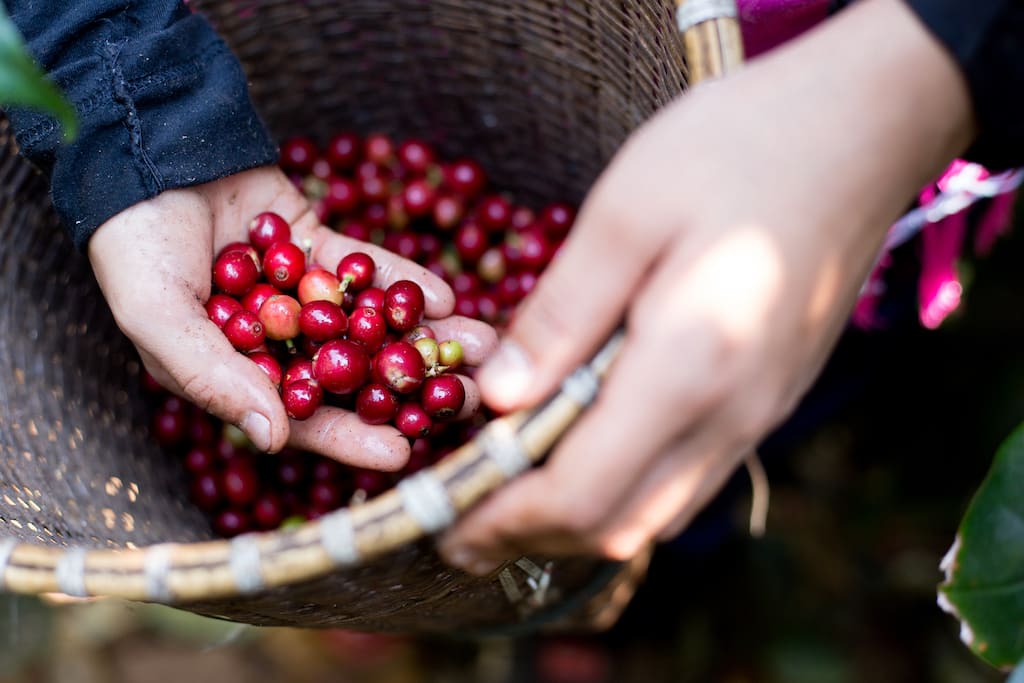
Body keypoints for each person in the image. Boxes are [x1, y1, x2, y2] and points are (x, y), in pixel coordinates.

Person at [4, 0, 1022, 576]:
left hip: (868, 147)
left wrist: (931, 66)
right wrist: (132, 99)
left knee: (744, 388)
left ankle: (681, 550)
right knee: (643, 415)